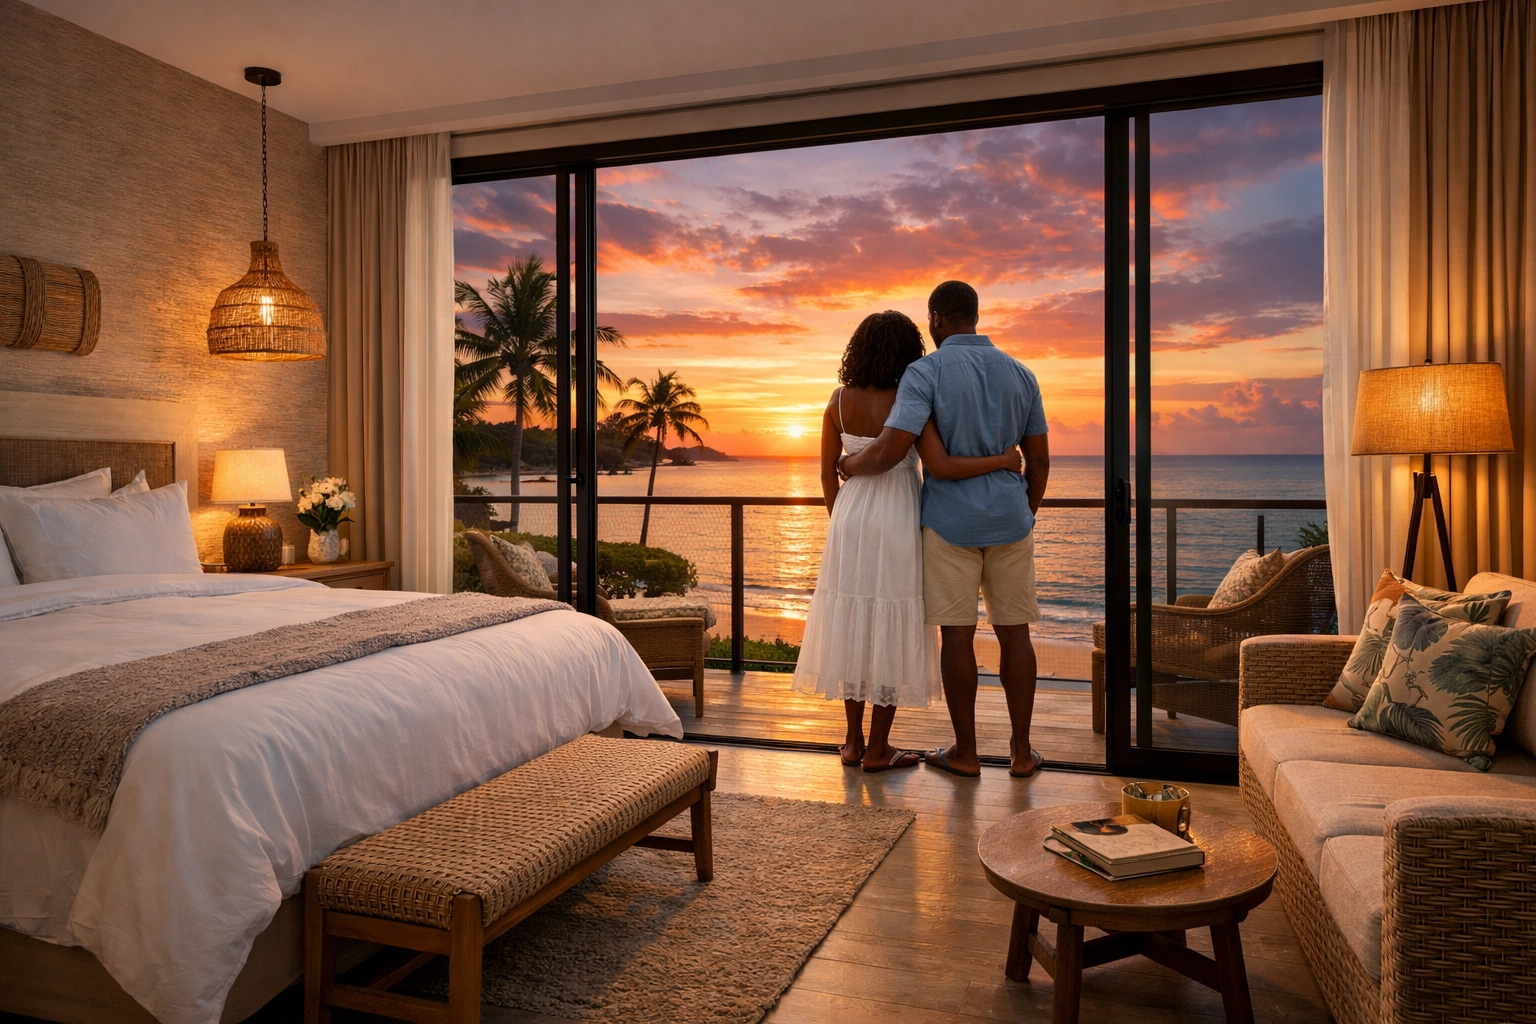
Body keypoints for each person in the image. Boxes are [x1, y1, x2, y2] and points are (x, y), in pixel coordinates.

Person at [793, 310, 1025, 772]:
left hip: (850, 516)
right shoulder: (911, 395)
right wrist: (1000, 460)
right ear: (908, 351)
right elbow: (935, 458)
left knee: (853, 620)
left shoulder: (837, 401)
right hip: (898, 512)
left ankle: (853, 742)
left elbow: (826, 472)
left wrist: (841, 521)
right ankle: (879, 748)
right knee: (891, 620)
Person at [839, 281, 1050, 778]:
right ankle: (1021, 754)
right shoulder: (1022, 374)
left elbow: (892, 450)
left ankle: (966, 752)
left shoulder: (925, 371)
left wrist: (847, 462)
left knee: (957, 639)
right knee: (1015, 636)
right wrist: (1025, 513)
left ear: (936, 318)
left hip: (950, 524)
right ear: (974, 316)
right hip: (1009, 521)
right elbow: (1038, 461)